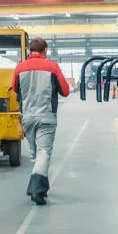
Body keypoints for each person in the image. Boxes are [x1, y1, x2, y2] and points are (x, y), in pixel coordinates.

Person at [11, 38, 71, 205]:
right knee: (43, 153)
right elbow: (65, 91)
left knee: (36, 154)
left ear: (30, 51)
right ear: (45, 51)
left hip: (27, 117)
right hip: (46, 116)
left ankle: (42, 188)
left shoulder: (19, 67)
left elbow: (15, 88)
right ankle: (36, 189)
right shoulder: (52, 67)